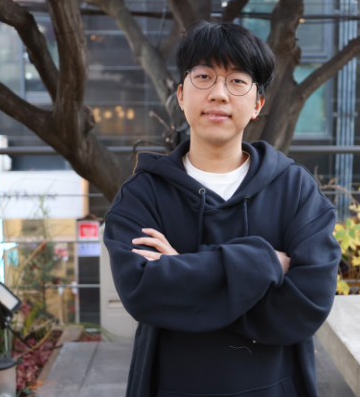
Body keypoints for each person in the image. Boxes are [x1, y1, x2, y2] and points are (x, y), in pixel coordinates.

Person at [103, 20, 342, 397]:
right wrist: (266, 263)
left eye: (237, 81)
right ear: (181, 95)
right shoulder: (144, 193)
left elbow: (307, 304)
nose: (218, 94)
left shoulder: (294, 189)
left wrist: (182, 270)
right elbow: (142, 292)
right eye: (204, 77)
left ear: (257, 103)